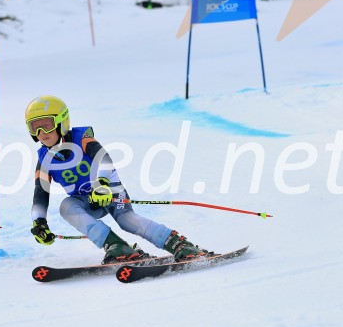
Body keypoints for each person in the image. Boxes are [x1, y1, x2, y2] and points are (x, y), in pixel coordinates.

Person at [25, 95, 208, 264]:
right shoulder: (45, 159)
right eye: (35, 127)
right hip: (86, 202)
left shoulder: (82, 139)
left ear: (61, 122)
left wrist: (102, 183)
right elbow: (40, 192)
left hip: (110, 191)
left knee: (126, 220)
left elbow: (104, 158)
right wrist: (39, 222)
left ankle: (179, 244)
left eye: (46, 125)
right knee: (66, 206)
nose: (41, 132)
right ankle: (116, 246)